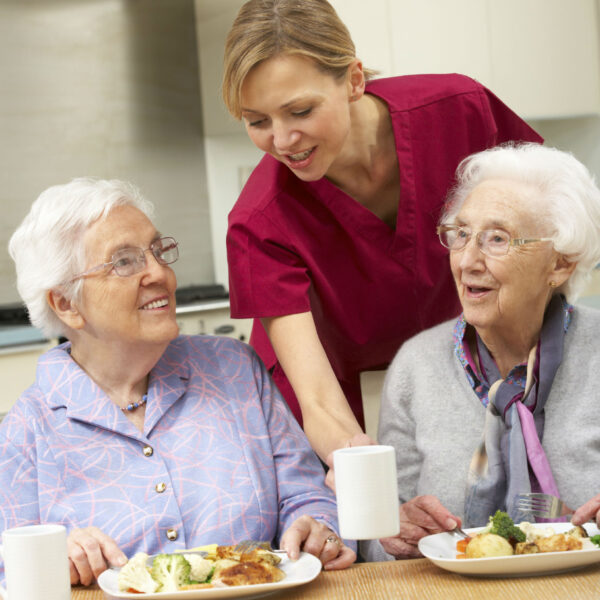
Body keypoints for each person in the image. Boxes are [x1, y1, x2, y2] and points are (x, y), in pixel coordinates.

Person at [222, 0, 543, 463]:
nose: (282, 140)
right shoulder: (259, 222)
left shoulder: (459, 112)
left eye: (301, 110)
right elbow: (317, 400)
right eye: (257, 121)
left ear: (353, 80)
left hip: (470, 363)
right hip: (335, 395)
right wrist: (361, 469)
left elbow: (547, 224)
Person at [0, 178, 355, 586]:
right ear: (66, 304)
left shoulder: (234, 368)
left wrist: (317, 528)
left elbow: (307, 495)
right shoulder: (26, 432)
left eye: (156, 251)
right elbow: (7, 569)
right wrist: (46, 560)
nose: (160, 274)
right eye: (125, 261)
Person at [362, 143, 600, 561]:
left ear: (559, 264)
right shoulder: (416, 365)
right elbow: (376, 537)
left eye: (497, 239)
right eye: (461, 234)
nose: (467, 260)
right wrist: (394, 535)